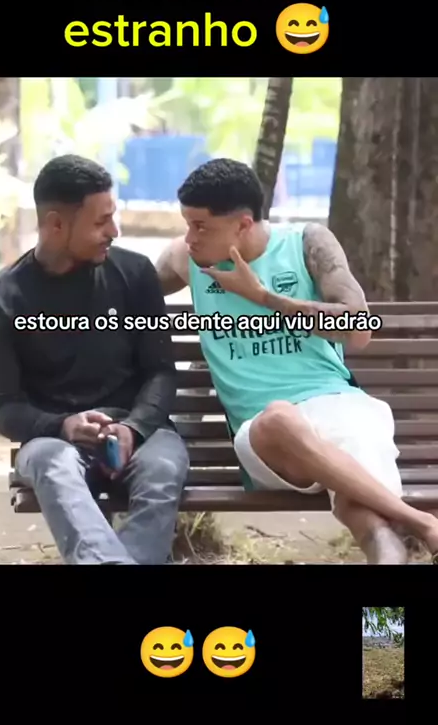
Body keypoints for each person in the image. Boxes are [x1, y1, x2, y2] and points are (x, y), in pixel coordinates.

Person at [156, 157, 438, 565]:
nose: (190, 238)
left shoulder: (306, 243)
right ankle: (422, 521)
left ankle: (389, 593)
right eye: (187, 225)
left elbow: (359, 329)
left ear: (243, 225)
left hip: (340, 407)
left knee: (373, 523)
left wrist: (264, 298)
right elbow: (124, 285)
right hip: (266, 438)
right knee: (279, 418)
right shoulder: (187, 259)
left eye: (201, 226)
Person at [0, 154, 189, 565]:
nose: (114, 231)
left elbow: (160, 372)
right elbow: (5, 407)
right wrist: (63, 426)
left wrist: (134, 427)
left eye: (113, 217)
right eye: (100, 221)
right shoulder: (0, 301)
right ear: (56, 224)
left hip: (142, 431)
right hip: (53, 440)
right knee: (52, 467)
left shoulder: (134, 274)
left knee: (162, 470)